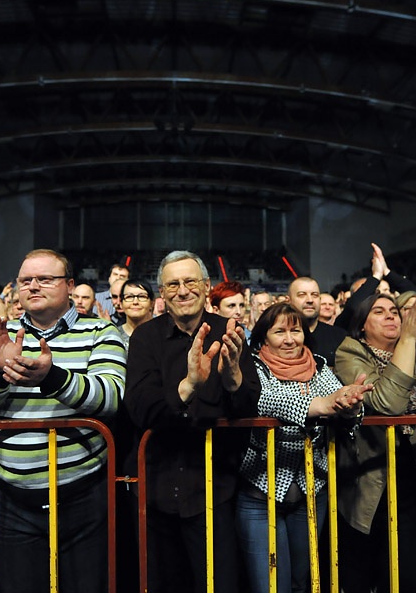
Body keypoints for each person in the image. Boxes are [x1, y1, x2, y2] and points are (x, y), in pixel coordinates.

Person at [0, 249, 125, 593]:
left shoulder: (101, 332)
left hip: (82, 493)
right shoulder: (1, 333)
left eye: (45, 279)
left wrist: (51, 378)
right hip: (11, 496)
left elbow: (109, 399)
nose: (33, 286)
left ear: (70, 286)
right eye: (25, 280)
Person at [124, 250, 261, 593]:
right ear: (162, 294)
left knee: (217, 584)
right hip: (155, 489)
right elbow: (139, 408)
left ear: (206, 286)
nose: (182, 290)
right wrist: (187, 387)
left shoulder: (229, 332)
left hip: (214, 489)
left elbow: (248, 407)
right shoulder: (145, 338)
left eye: (190, 282)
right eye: (173, 284)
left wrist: (232, 381)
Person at [335, 292, 416, 593]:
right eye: (379, 311)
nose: (391, 316)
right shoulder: (349, 352)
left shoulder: (415, 351)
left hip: (415, 477)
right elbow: (388, 404)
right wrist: (408, 342)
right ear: (362, 326)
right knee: (364, 576)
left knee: (406, 578)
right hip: (370, 480)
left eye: (395, 311)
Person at [238, 303, 368, 593]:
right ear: (263, 338)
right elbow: (265, 402)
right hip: (260, 495)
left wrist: (349, 407)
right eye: (279, 332)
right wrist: (320, 404)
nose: (289, 339)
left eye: (295, 330)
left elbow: (343, 407)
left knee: (303, 583)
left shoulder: (319, 366)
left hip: (311, 493)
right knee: (272, 586)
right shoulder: (252, 366)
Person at [288, 277, 346, 366]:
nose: (310, 300)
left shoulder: (340, 336)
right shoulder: (279, 337)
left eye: (314, 295)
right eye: (302, 295)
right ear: (289, 300)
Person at [117, 278, 155, 349]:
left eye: (142, 296)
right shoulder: (114, 335)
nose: (135, 302)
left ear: (152, 303)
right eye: (129, 297)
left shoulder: (161, 335)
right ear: (121, 303)